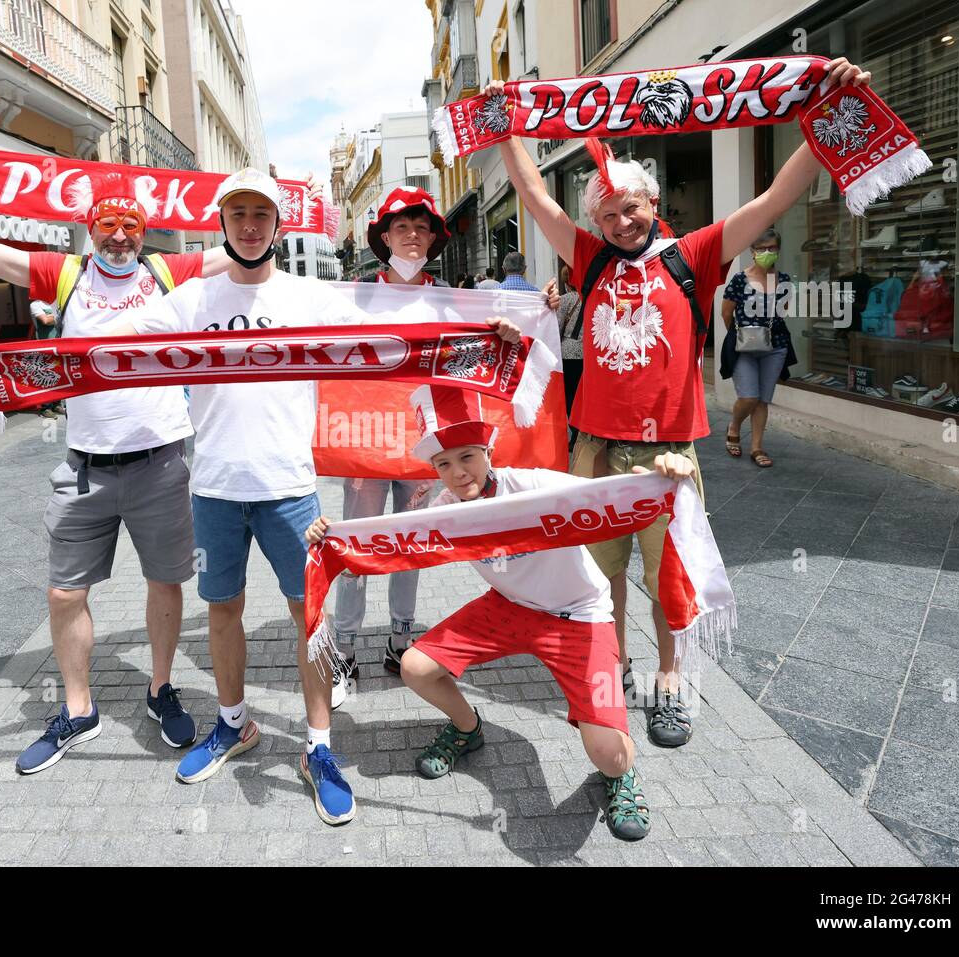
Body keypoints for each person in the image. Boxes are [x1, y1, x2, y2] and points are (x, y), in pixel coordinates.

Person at [105, 167, 524, 826]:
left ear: (278, 225)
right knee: (222, 611)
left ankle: (318, 746)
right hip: (213, 486)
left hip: (290, 489)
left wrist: (491, 326)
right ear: (223, 222)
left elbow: (403, 325)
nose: (249, 225)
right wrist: (18, 359)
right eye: (238, 213)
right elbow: (112, 340)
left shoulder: (311, 295)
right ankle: (235, 723)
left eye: (261, 215)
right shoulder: (192, 298)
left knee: (314, 621)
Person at [484, 56, 871, 747]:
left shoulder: (695, 254)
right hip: (594, 452)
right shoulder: (590, 259)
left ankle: (669, 682)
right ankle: (610, 674)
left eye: (630, 208)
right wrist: (506, 126)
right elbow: (535, 196)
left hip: (666, 456)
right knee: (595, 580)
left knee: (668, 581)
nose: (621, 221)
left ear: (653, 204)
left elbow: (778, 196)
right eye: (608, 214)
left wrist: (824, 113)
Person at [0, 130, 245, 773]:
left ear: (144, 228)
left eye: (130, 224)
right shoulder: (62, 271)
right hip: (83, 469)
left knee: (165, 585)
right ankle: (78, 710)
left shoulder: (168, 270)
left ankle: (159, 689)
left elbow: (244, 254)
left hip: (160, 463)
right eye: (107, 224)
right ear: (89, 227)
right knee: (65, 594)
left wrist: (275, 200)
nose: (120, 236)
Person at [306, 386, 699, 841]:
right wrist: (329, 534)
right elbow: (384, 540)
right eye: (444, 464)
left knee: (609, 755)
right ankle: (467, 729)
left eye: (467, 457)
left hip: (581, 615)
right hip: (510, 608)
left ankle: (622, 775)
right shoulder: (445, 509)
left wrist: (665, 469)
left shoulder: (530, 485)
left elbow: (604, 494)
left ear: (488, 450)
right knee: (414, 666)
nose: (457, 473)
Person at [329, 187, 451, 709]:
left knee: (412, 544)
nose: (411, 235)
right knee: (356, 545)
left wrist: (534, 310)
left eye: (421, 227)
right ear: (383, 236)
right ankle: (344, 648)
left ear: (431, 238)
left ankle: (401, 641)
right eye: (401, 226)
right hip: (367, 438)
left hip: (424, 441)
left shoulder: (451, 296)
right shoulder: (354, 296)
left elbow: (483, 339)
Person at [721, 228, 796, 468]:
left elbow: (783, 312)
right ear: (752, 252)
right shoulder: (740, 280)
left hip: (776, 347)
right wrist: (745, 333)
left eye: (772, 248)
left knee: (763, 399)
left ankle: (757, 447)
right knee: (749, 397)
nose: (767, 252)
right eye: (761, 249)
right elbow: (726, 313)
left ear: (778, 251)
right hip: (745, 346)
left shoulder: (783, 280)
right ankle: (734, 425)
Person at [554, 263, 584, 448]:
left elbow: (556, 328)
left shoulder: (565, 300)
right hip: (590, 354)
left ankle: (575, 433)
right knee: (584, 395)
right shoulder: (590, 297)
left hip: (569, 354)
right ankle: (583, 432)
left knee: (570, 396)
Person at [29, 300, 63, 418]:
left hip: (59, 345)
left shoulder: (56, 301)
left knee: (59, 376)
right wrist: (61, 316)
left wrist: (54, 317)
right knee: (46, 377)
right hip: (44, 347)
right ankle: (45, 407)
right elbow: (45, 321)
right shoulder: (35, 304)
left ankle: (56, 404)